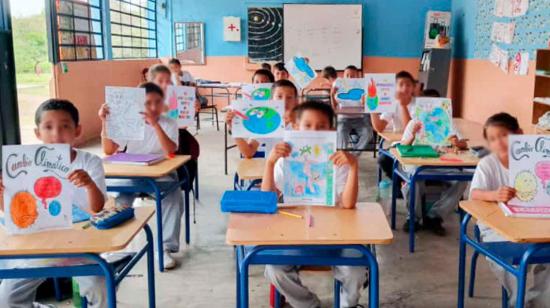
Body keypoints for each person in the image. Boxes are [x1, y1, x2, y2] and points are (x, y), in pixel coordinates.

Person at [0, 99, 108, 308]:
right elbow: (14, 214)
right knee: (6, 298)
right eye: (48, 127)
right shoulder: (24, 164)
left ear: (77, 130)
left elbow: (97, 208)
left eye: (65, 126)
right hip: (39, 247)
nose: (57, 134)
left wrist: (89, 184)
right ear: (38, 133)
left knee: (101, 288)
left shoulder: (89, 162)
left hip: (81, 246)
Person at [262, 101, 367, 308]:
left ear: (332, 130)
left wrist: (353, 165)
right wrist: (270, 163)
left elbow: (347, 204)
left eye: (321, 126)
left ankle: (348, 304)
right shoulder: (286, 160)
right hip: (294, 235)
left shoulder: (339, 161)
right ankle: (309, 305)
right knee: (274, 269)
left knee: (356, 270)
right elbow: (268, 200)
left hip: (336, 235)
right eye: (307, 126)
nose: (314, 131)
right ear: (295, 129)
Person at [98, 82, 183, 270]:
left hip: (161, 176)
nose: (153, 107)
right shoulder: (130, 122)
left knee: (173, 199)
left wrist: (155, 125)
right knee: (120, 202)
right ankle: (114, 245)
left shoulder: (169, 123)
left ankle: (164, 247)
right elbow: (108, 149)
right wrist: (105, 122)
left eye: (158, 102)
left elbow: (170, 151)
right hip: (133, 175)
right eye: (147, 103)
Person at [470, 113, 550, 307]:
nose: (499, 142)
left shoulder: (537, 162)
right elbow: (475, 194)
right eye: (492, 139)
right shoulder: (488, 164)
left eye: (504, 135)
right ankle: (519, 301)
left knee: (546, 262)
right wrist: (495, 195)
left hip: (535, 227)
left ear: (519, 134)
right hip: (497, 229)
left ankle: (539, 300)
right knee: (508, 264)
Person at [398, 90, 469, 235]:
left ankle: (435, 216)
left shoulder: (448, 124)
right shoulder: (413, 123)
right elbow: (403, 146)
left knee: (462, 180)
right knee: (414, 180)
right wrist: (412, 135)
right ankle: (414, 218)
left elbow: (463, 145)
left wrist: (457, 143)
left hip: (442, 165)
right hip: (419, 165)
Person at [226, 80, 299, 158]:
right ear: (271, 100)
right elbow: (248, 152)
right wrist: (234, 129)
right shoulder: (264, 122)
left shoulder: (304, 121)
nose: (284, 101)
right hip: (271, 168)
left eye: (289, 97)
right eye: (279, 96)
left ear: (296, 101)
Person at [373, 71, 416, 181]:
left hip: (416, 143)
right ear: (395, 88)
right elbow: (379, 127)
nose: (404, 88)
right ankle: (400, 186)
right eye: (401, 84)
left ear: (413, 87)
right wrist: (371, 108)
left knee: (412, 165)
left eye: (408, 84)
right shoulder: (393, 104)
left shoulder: (418, 104)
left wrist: (403, 105)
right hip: (399, 144)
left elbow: (410, 129)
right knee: (383, 160)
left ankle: (409, 183)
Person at [331, 65, 373, 154]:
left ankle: (353, 156)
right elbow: (334, 108)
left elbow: (367, 107)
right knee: (341, 134)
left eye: (353, 76)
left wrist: (364, 101)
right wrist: (332, 95)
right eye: (347, 75)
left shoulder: (364, 86)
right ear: (343, 76)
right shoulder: (338, 85)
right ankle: (343, 155)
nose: (350, 78)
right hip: (343, 119)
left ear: (358, 77)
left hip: (359, 119)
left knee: (368, 133)